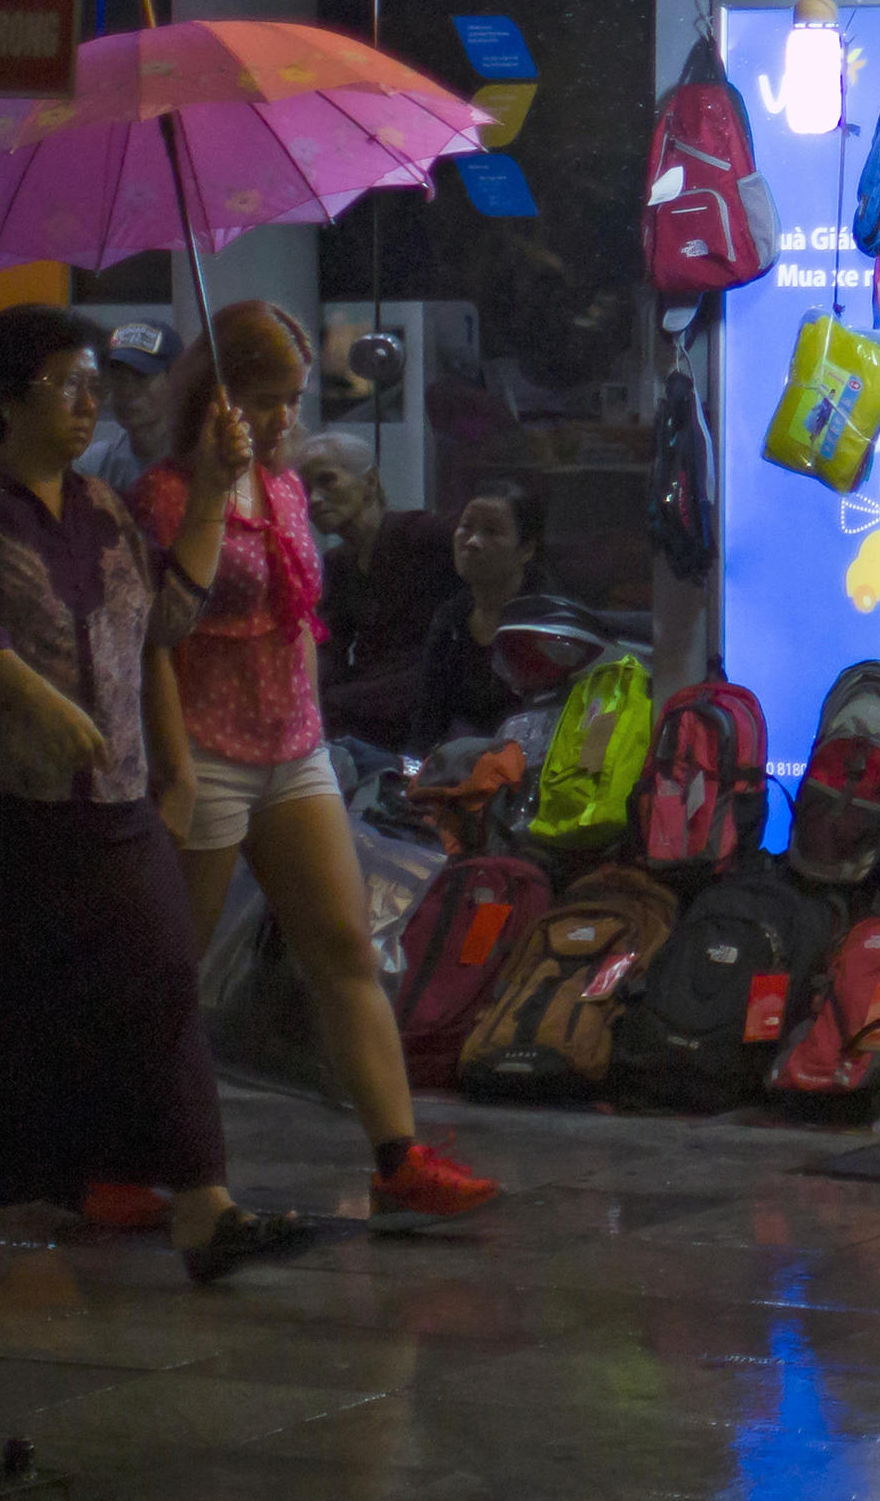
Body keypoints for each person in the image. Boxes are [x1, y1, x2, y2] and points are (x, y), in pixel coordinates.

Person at [0, 303, 312, 1280]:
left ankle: (204, 1206)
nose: (88, 404)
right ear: (5, 398)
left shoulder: (102, 507)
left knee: (162, 981)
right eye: (65, 386)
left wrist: (211, 490)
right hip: (6, 810)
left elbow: (163, 624)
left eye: (93, 386)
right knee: (3, 1014)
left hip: (113, 804)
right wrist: (29, 696)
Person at [133, 305, 500, 1228]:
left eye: (291, 401)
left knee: (342, 947)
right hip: (209, 750)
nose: (281, 420)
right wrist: (214, 493)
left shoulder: (287, 490)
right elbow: (162, 631)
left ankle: (397, 1153)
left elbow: (299, 620)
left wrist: (317, 729)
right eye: (265, 401)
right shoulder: (173, 495)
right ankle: (137, 1156)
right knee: (174, 967)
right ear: (217, 399)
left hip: (291, 747)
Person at [303, 430, 465, 746]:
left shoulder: (424, 535)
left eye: (327, 481)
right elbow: (328, 645)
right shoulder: (336, 565)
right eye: (305, 489)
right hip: (367, 697)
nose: (314, 499)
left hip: (424, 692)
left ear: (370, 482)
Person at [407, 480, 548, 753]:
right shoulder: (451, 619)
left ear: (526, 549)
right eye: (466, 527)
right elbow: (427, 719)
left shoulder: (546, 621)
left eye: (492, 531)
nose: (471, 542)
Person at [72, 317, 174, 491]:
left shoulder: (199, 461)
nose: (126, 390)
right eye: (118, 378)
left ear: (174, 379)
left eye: (140, 376)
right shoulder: (95, 465)